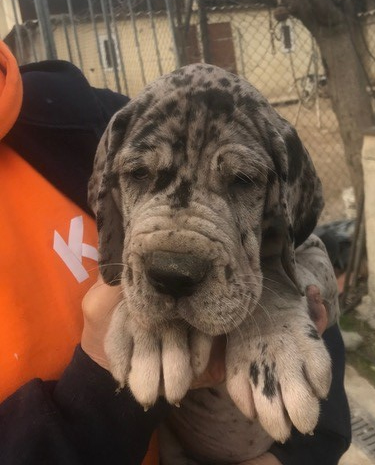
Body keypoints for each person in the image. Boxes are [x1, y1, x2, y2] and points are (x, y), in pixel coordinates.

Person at [0, 40, 351, 464]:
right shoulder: (122, 132)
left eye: (241, 179)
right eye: (139, 173)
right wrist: (102, 370)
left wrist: (275, 302)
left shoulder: (92, 115)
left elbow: (306, 259)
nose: (177, 248)